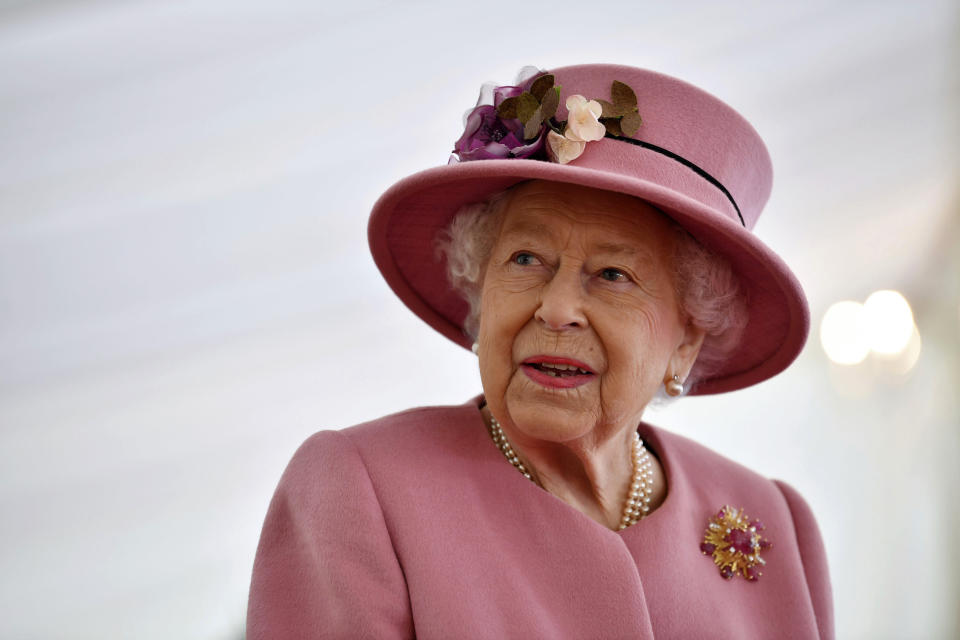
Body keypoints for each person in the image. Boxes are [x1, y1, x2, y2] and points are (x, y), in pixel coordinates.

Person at [246, 64, 833, 639]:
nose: (555, 309)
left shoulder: (774, 520)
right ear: (480, 291)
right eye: (525, 260)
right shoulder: (362, 488)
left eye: (612, 273)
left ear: (686, 340)